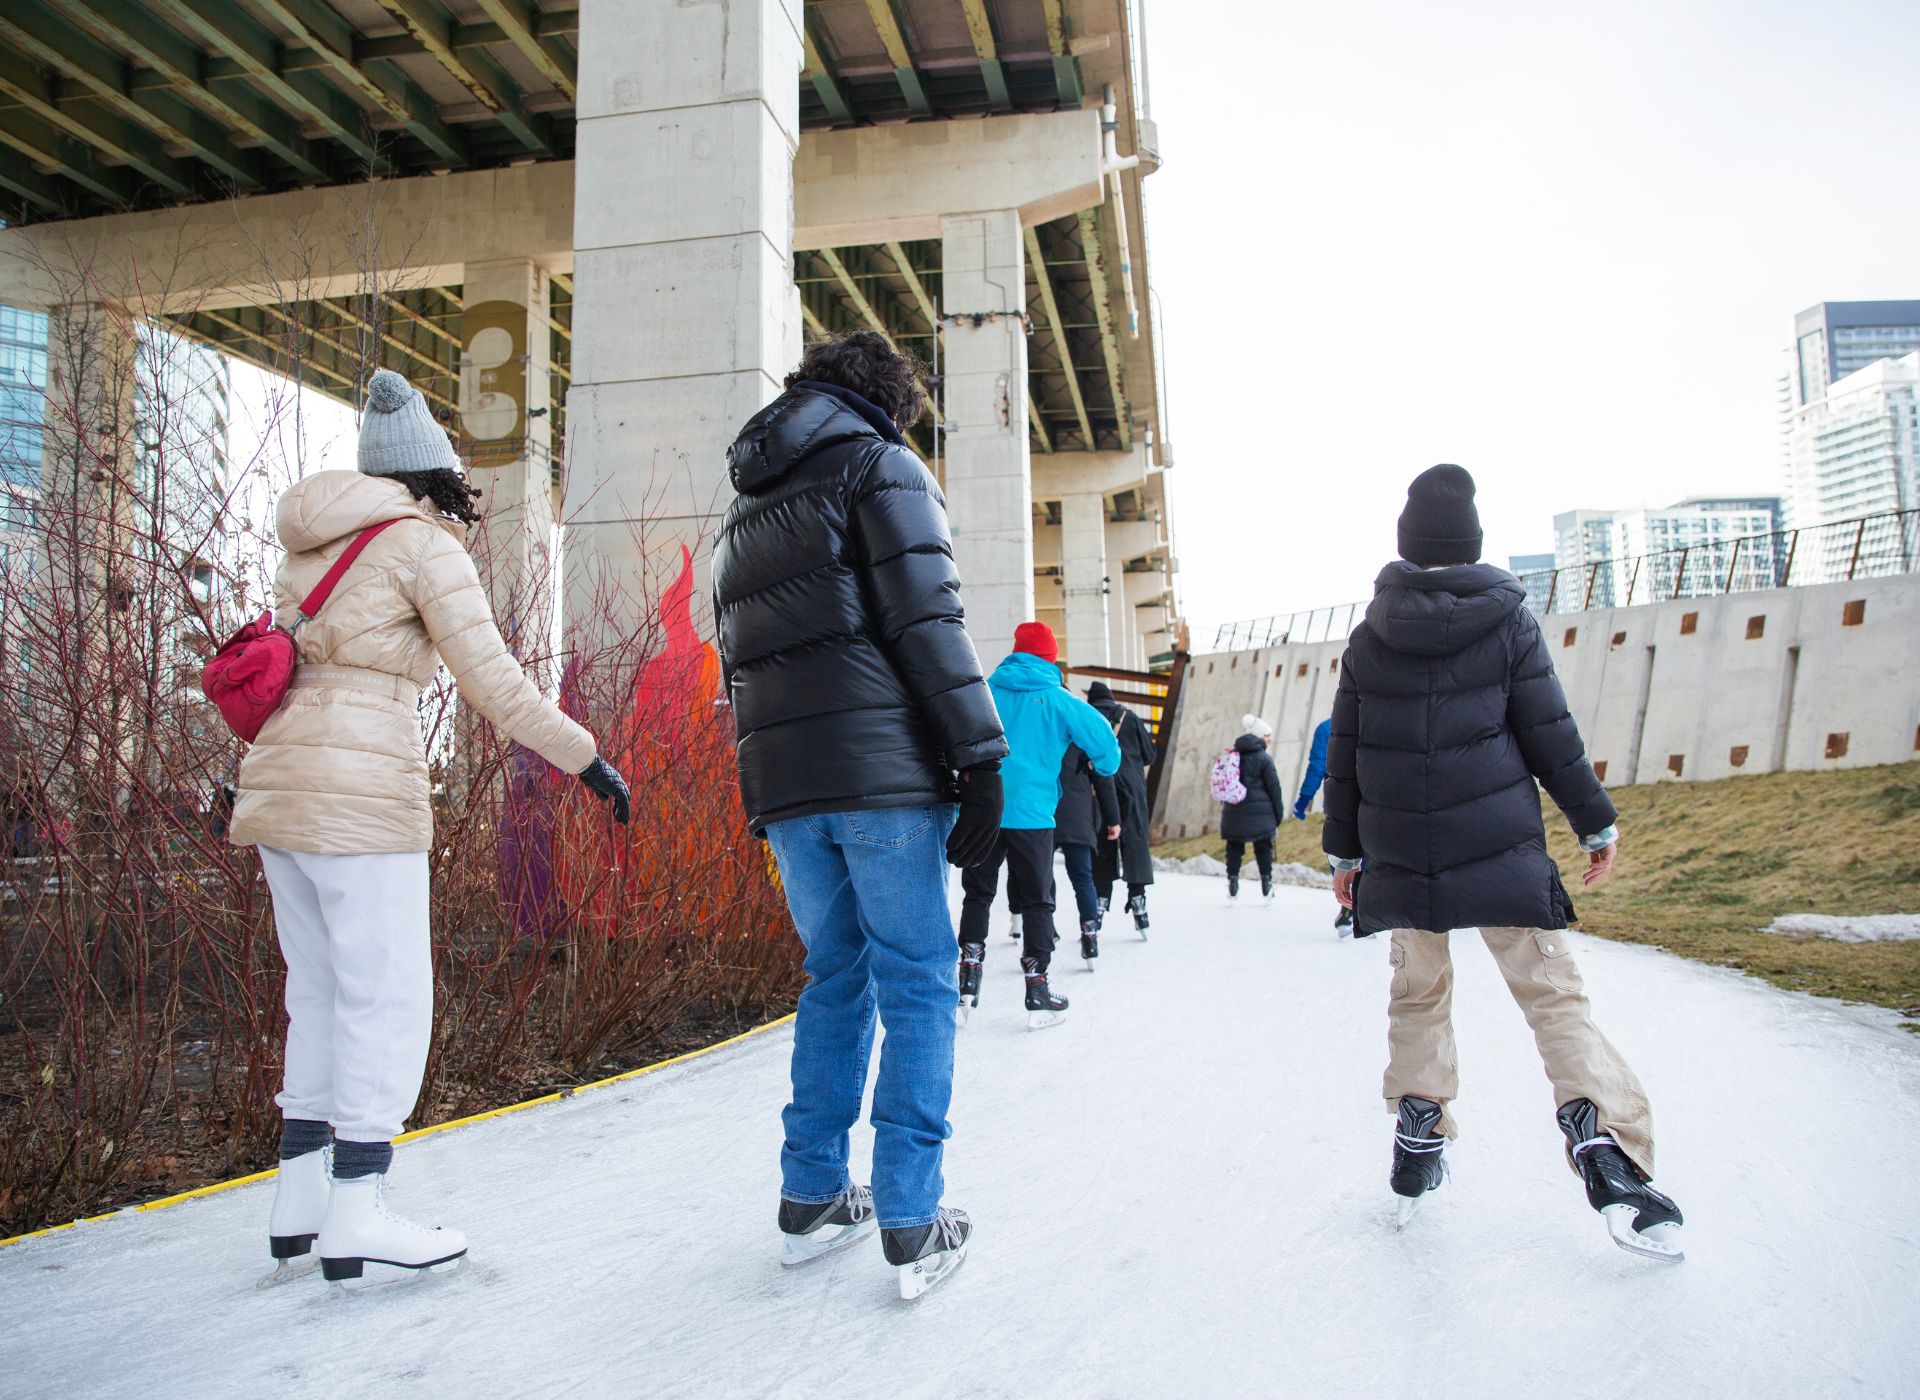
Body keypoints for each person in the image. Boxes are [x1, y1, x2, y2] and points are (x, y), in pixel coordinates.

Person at [229, 369, 632, 1286]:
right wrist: (585, 758)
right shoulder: (422, 546)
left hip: (282, 786)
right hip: (360, 792)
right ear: (431, 473)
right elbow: (494, 682)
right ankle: (359, 1211)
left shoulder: (311, 545)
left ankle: (300, 1199)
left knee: (323, 991)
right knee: (390, 995)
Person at [1322, 463, 1683, 1262]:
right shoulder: (1509, 623)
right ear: (1472, 543)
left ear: (1408, 546)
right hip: (1500, 848)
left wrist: (1344, 852)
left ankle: (1420, 1123)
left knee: (1419, 994)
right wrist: (1595, 825)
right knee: (1553, 996)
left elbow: (1345, 755)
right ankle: (1603, 1141)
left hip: (1403, 855)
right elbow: (1551, 734)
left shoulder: (1369, 633)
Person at [712, 330, 1007, 1300]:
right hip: (882, 776)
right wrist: (979, 753)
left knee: (836, 975)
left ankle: (810, 1196)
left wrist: (767, 790)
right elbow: (927, 619)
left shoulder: (749, 503)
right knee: (918, 979)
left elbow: (739, 662)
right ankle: (912, 1216)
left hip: (791, 788)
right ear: (887, 400)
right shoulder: (882, 465)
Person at [957, 622, 1120, 1029]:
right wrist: (1097, 765)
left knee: (978, 894)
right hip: (1033, 818)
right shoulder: (1060, 701)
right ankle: (1037, 987)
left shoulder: (984, 693)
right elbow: (1108, 754)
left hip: (984, 813)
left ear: (1016, 653)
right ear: (1050, 657)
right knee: (1036, 901)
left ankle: (968, 979)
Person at [1087, 680, 1157, 935]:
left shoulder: (1089, 717)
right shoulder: (1130, 717)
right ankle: (1139, 905)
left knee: (1104, 841)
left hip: (1100, 786)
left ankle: (1099, 905)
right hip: (1132, 785)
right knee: (1135, 841)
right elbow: (1150, 755)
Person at [1053, 743, 1121, 967]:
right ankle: (1090, 935)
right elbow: (1103, 780)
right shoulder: (1082, 740)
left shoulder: (1045, 731)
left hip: (1045, 814)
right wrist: (1113, 820)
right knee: (1083, 879)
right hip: (1078, 818)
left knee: (1040, 874)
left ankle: (1045, 929)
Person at [1220, 714, 1285, 905]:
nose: (1269, 739)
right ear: (1258, 736)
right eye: (1267, 735)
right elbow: (1275, 788)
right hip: (1261, 813)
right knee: (1263, 847)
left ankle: (1232, 882)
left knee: (1234, 847)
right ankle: (1267, 883)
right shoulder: (1264, 759)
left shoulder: (1233, 756)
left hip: (1234, 809)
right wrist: (1278, 814)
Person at [1292, 717, 1350, 930]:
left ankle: (1348, 907)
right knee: (1368, 851)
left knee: (1340, 849)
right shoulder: (1376, 720)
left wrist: (1303, 801)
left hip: (1339, 799)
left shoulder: (1327, 727)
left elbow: (1317, 765)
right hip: (1371, 797)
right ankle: (1363, 906)